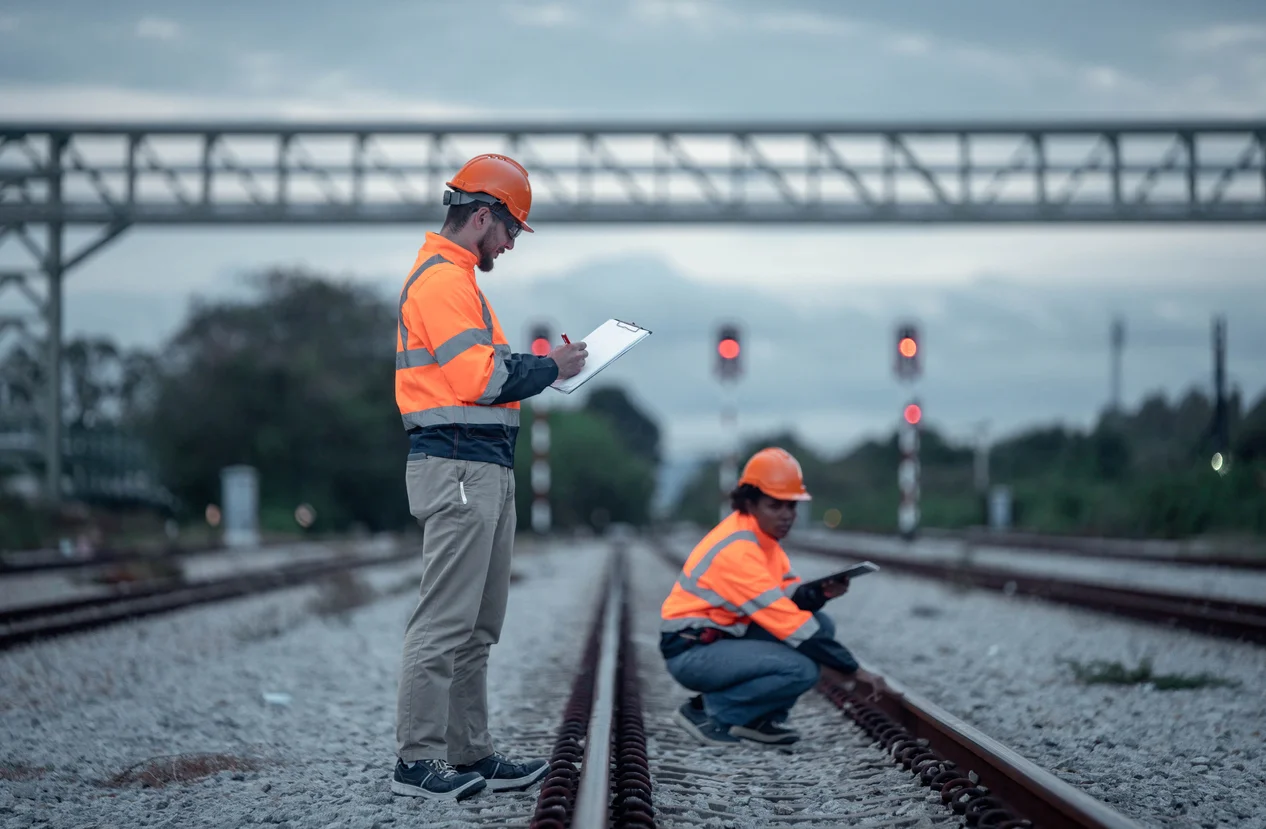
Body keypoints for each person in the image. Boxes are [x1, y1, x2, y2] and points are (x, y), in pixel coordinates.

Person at [391, 153, 588, 800]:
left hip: (481, 466)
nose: (509, 244)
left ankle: (468, 752)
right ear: (481, 217)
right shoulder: (443, 283)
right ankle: (417, 762)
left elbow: (486, 371)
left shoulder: (462, 283)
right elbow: (484, 378)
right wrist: (550, 366)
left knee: (478, 624)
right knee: (445, 620)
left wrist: (544, 365)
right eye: (509, 231)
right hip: (456, 466)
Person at [659, 447, 889, 746]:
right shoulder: (738, 549)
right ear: (749, 503)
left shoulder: (764, 541)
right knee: (802, 668)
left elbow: (786, 597)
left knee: (822, 623)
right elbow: (791, 625)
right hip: (692, 652)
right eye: (775, 505)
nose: (786, 515)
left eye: (791, 506)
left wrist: (819, 593)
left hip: (723, 636)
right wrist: (856, 670)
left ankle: (758, 719)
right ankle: (707, 711)